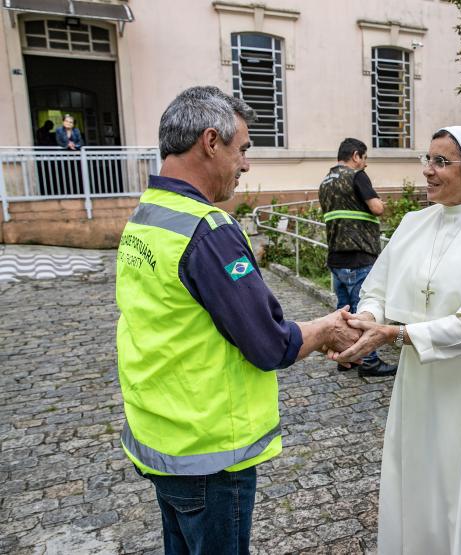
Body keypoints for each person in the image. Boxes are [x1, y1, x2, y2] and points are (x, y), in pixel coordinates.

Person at [115, 86, 360, 555]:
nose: (245, 165)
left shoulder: (148, 214)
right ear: (211, 142)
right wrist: (327, 328)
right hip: (206, 450)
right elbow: (268, 343)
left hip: (160, 434)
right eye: (242, 149)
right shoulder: (206, 231)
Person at [329, 126, 461, 554]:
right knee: (419, 470)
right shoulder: (413, 224)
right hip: (422, 373)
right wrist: (368, 320)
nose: (427, 171)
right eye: (426, 160)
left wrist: (396, 334)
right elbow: (378, 287)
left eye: (440, 162)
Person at [319, 138, 396, 377]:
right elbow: (377, 208)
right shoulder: (356, 176)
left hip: (336, 258)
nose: (365, 164)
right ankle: (369, 360)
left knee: (343, 312)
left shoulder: (325, 182)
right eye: (364, 158)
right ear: (355, 156)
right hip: (359, 255)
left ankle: (346, 359)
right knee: (363, 311)